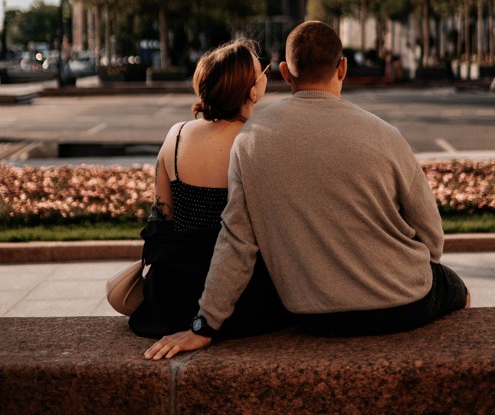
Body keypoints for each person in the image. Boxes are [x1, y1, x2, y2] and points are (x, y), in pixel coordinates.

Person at [145, 21, 469, 360]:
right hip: (402, 302)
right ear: (342, 67)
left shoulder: (252, 140)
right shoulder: (386, 135)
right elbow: (432, 238)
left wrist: (204, 325)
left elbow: (236, 241)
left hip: (313, 314)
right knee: (455, 288)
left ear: (285, 72)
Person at [129, 37, 288, 340]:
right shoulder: (258, 142)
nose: (266, 74)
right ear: (252, 90)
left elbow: (162, 219)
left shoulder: (175, 136)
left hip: (174, 293)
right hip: (239, 298)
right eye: (261, 71)